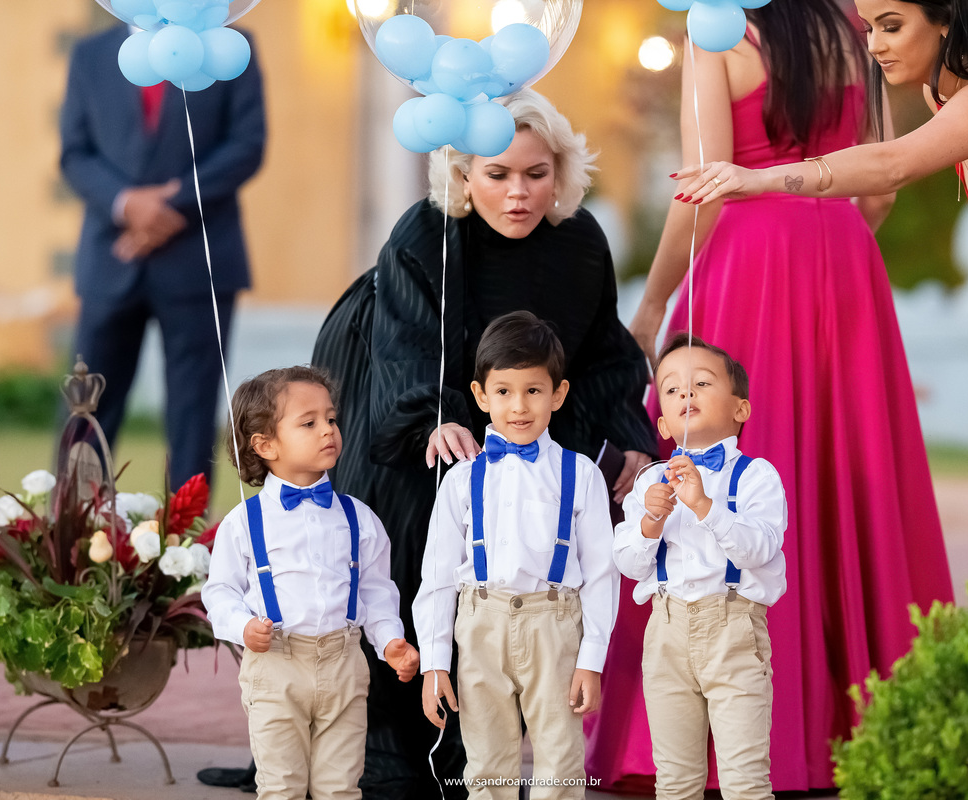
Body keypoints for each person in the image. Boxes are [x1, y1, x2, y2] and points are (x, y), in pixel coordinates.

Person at [600, 1, 952, 791]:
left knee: (724, 456)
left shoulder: (718, 31)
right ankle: (861, 725)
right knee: (846, 477)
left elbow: (704, 189)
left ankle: (729, 739)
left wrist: (651, 306)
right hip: (842, 254)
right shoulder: (853, 26)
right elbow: (881, 185)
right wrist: (831, 240)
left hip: (749, 260)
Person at [674, 0, 968, 594]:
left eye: (891, 26)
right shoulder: (948, 98)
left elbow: (890, 166)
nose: (874, 46)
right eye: (868, 29)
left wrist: (759, 178)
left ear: (946, 19)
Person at [310, 90, 656, 799]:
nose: (518, 193)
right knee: (410, 545)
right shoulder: (424, 232)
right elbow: (407, 344)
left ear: (561, 173)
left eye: (536, 173)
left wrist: (624, 444)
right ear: (465, 175)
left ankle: (479, 759)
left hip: (528, 421)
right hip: (419, 418)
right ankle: (393, 753)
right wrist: (434, 417)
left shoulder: (583, 241)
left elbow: (602, 354)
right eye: (498, 174)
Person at [413, 311, 618, 799]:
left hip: (555, 626)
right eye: (503, 391)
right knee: (487, 763)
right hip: (480, 625)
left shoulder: (581, 474)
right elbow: (437, 576)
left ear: (558, 394)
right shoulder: (461, 479)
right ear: (481, 395)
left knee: (560, 760)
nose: (519, 406)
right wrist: (435, 661)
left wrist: (592, 658)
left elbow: (601, 573)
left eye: (533, 390)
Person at [59, 24, 265, 490]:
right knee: (85, 408)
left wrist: (170, 206)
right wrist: (127, 204)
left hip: (200, 260)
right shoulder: (90, 53)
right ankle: (73, 526)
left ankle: (185, 531)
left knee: (193, 413)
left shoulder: (230, 47)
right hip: (110, 258)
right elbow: (74, 154)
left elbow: (247, 144)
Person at [202, 365, 421, 800]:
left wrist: (390, 640)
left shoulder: (359, 517)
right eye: (309, 423)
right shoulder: (244, 522)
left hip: (344, 664)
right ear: (265, 444)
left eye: (331, 418)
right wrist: (243, 626)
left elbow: (376, 591)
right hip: (276, 666)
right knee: (281, 786)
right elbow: (220, 591)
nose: (328, 430)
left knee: (340, 786)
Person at [614, 334, 787, 800]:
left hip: (734, 629)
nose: (686, 393)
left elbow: (759, 549)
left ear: (740, 409)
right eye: (672, 388)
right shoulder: (650, 481)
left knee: (745, 779)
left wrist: (706, 506)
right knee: (675, 779)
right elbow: (628, 563)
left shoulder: (756, 476)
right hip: (666, 631)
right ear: (663, 423)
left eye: (702, 383)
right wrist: (651, 521)